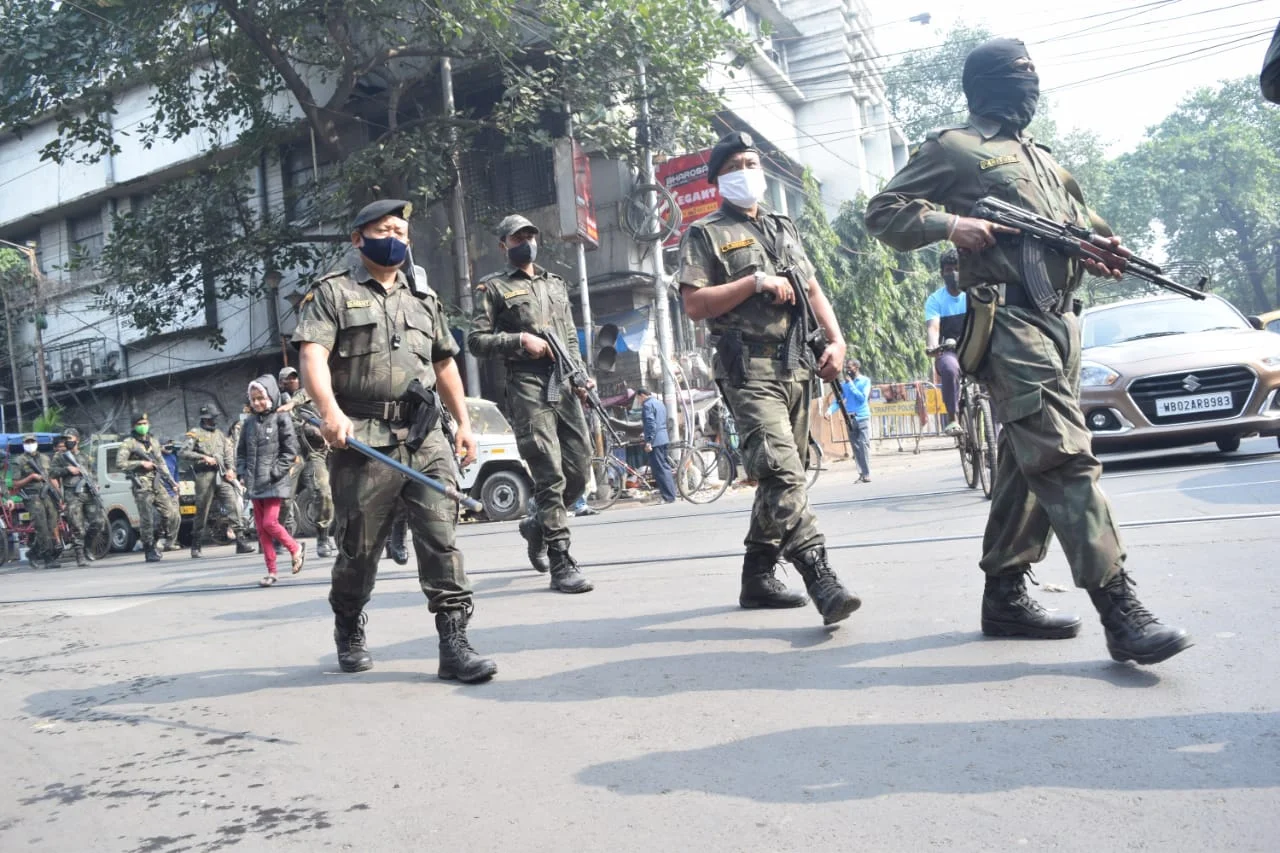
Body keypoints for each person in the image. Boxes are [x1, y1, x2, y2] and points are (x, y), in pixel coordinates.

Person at [865, 37, 1191, 665]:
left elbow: (1080, 221)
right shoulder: (953, 149)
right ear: (986, 83)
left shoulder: (1044, 160)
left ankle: (1005, 595)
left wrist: (1103, 244)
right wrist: (950, 224)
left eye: (1034, 75)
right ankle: (1119, 607)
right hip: (1008, 320)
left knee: (1026, 463)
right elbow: (883, 213)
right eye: (1018, 74)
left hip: (1062, 324)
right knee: (1063, 457)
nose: (1030, 85)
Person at [294, 198, 496, 683]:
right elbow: (312, 355)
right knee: (359, 550)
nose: (398, 238)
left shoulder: (424, 298)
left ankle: (454, 644)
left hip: (425, 437)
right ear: (357, 238)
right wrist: (330, 412)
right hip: (363, 439)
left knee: (441, 539)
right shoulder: (333, 293)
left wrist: (463, 423)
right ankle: (348, 623)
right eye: (387, 229)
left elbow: (445, 363)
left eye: (403, 232)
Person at [676, 130, 860, 625]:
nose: (747, 171)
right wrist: (754, 282)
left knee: (784, 478)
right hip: (748, 368)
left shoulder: (783, 227)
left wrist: (836, 341)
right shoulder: (705, 234)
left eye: (752, 162)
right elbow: (694, 304)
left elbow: (814, 288)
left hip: (797, 363)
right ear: (719, 178)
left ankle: (757, 574)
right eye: (735, 165)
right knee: (783, 471)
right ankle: (820, 574)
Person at [467, 213, 594, 593]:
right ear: (503, 245)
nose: (525, 242)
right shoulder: (493, 288)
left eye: (529, 235)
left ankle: (536, 522)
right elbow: (476, 341)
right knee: (548, 471)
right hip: (526, 384)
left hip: (564, 382)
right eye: (517, 237)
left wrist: (581, 375)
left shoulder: (554, 284)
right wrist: (520, 340)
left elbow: (569, 335)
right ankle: (561, 560)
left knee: (580, 466)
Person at [238, 375, 306, 586]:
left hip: (274, 482)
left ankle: (295, 548)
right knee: (261, 530)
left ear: (270, 396)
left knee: (270, 522)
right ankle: (272, 571)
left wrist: (276, 473)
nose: (257, 402)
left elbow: (290, 451)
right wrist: (242, 473)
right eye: (253, 398)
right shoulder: (248, 423)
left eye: (261, 398)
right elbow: (241, 453)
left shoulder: (281, 418)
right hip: (254, 482)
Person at [277, 366, 337, 558]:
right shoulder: (275, 402)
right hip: (291, 454)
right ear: (281, 383)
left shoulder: (309, 395)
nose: (293, 381)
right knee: (284, 498)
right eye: (288, 379)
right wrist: (305, 428)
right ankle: (279, 536)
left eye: (295, 378)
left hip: (314, 452)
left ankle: (323, 538)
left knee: (323, 490)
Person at [181, 405, 254, 558]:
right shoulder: (195, 434)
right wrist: (202, 457)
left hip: (222, 474)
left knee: (233, 505)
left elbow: (228, 453)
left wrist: (230, 469)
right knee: (202, 510)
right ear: (205, 418)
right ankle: (196, 545)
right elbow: (184, 452)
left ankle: (241, 541)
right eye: (211, 418)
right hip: (205, 476)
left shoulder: (220, 435)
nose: (214, 420)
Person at [116, 414, 181, 563]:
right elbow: (120, 463)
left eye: (145, 423)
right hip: (141, 483)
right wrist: (140, 463)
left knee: (171, 514)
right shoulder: (129, 443)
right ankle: (149, 548)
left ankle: (157, 537)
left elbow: (161, 463)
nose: (143, 425)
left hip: (157, 482)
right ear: (134, 425)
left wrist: (172, 483)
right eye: (140, 423)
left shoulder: (153, 442)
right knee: (147, 519)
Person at [926, 248, 966, 436]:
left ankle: (1000, 422)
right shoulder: (935, 300)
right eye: (949, 269)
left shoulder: (972, 293)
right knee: (949, 369)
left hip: (975, 346)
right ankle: (953, 417)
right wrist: (933, 346)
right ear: (942, 273)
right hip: (948, 350)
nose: (954, 274)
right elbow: (933, 328)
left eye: (958, 269)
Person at [50, 428, 104, 567]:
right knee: (77, 527)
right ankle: (80, 555)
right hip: (72, 495)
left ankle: (88, 547)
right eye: (65, 439)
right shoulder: (60, 457)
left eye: (69, 438)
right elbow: (52, 473)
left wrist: (95, 484)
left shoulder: (85, 457)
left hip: (88, 492)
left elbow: (93, 472)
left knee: (98, 522)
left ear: (77, 440)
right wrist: (67, 469)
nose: (67, 441)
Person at [13, 433, 61, 569]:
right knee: (42, 528)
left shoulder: (45, 458)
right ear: (24, 444)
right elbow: (16, 484)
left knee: (52, 526)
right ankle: (47, 558)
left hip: (48, 495)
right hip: (33, 497)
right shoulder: (19, 461)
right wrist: (31, 477)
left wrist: (59, 494)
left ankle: (33, 553)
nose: (30, 444)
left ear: (36, 443)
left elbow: (52, 477)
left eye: (32, 441)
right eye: (27, 442)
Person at [826, 359, 871, 483]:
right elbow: (839, 401)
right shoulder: (844, 384)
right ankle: (861, 473)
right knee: (856, 448)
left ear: (856, 367)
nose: (847, 370)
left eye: (850, 367)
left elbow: (862, 398)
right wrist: (829, 411)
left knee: (864, 446)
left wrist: (851, 385)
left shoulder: (865, 381)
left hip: (862, 418)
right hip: (849, 419)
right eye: (846, 367)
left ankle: (867, 473)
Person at [634, 388, 677, 504]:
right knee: (665, 467)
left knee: (659, 469)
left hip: (655, 441)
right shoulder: (659, 403)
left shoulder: (647, 405)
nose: (638, 401)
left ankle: (667, 496)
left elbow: (651, 424)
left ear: (642, 395)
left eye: (638, 398)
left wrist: (648, 441)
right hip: (663, 438)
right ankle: (671, 494)